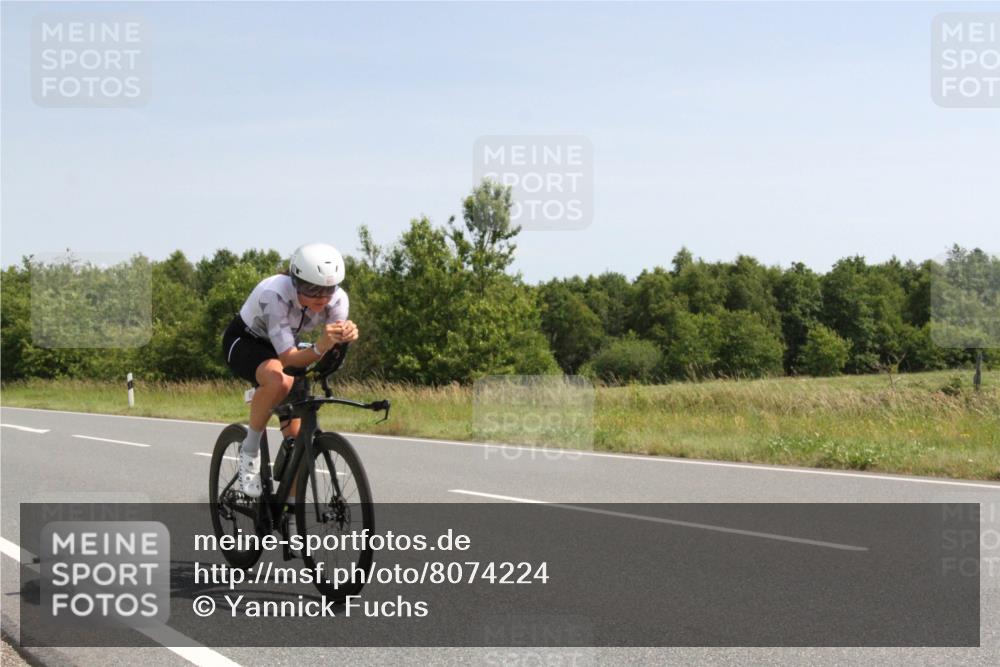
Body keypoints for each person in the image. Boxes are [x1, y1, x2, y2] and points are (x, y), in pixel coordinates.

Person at [220, 243, 359, 497]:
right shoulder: (275, 294)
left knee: (298, 445)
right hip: (246, 341)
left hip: (288, 344)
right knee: (279, 381)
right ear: (295, 281)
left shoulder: (338, 300)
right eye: (312, 289)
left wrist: (343, 339)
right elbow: (287, 359)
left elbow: (326, 353)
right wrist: (321, 345)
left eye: (328, 289)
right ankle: (249, 453)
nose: (321, 297)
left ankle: (292, 521)